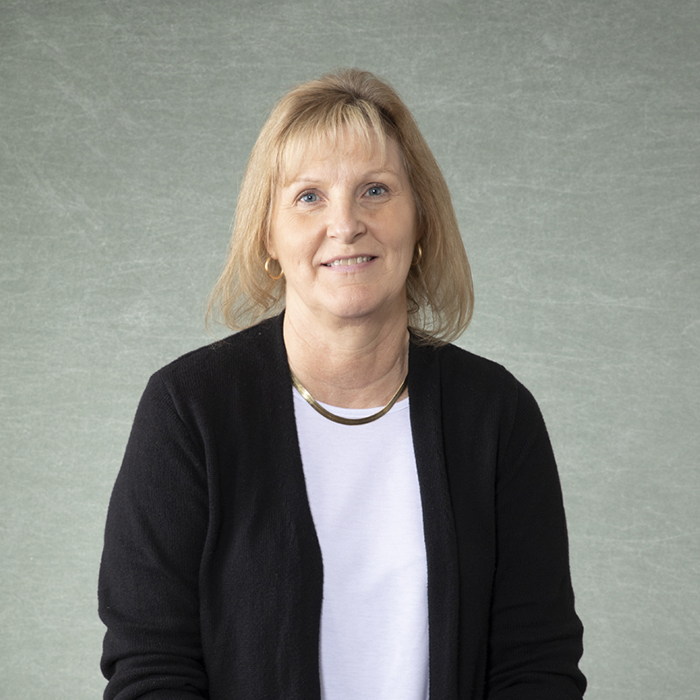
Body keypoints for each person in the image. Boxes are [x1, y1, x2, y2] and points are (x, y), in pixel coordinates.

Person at [99, 69, 586, 700]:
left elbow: (537, 665)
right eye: (308, 197)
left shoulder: (496, 415)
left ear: (421, 223)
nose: (346, 223)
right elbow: (151, 666)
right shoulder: (189, 410)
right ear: (268, 237)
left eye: (375, 190)